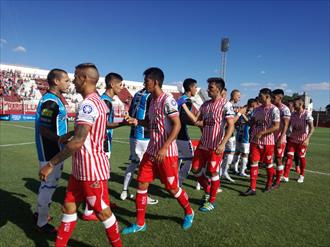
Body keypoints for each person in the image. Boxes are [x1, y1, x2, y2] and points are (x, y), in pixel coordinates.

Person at [39, 63, 123, 247]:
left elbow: (78, 142)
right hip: (80, 169)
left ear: (84, 79)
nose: (74, 81)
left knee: (103, 212)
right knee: (68, 207)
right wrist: (69, 134)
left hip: (91, 170)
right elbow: (90, 131)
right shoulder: (99, 102)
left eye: (76, 77)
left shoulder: (87, 104)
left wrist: (50, 164)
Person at [122, 67, 194, 234]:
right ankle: (140, 223)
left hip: (166, 154)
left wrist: (164, 148)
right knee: (141, 184)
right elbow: (149, 122)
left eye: (146, 80)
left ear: (155, 82)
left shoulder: (167, 100)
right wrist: (135, 121)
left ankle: (189, 212)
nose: (144, 83)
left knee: (172, 188)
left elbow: (177, 125)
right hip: (151, 151)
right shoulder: (151, 101)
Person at [83, 72, 135, 220]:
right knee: (98, 177)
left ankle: (103, 203)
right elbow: (104, 124)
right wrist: (123, 123)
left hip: (104, 142)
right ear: (112, 84)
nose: (122, 87)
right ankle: (89, 210)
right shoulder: (105, 101)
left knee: (103, 175)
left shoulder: (106, 100)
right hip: (102, 143)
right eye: (120, 84)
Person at [34, 69, 70, 233]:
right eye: (67, 80)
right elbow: (43, 129)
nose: (69, 83)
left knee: (47, 185)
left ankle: (40, 214)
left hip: (55, 147)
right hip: (50, 149)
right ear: (56, 81)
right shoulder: (50, 102)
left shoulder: (54, 99)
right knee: (49, 185)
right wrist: (59, 139)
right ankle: (41, 223)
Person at [191, 77, 235, 212]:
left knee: (212, 172)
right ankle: (209, 191)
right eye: (208, 87)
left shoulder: (226, 105)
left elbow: (231, 126)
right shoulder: (205, 105)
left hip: (216, 146)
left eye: (211, 87)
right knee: (196, 169)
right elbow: (197, 120)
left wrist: (223, 144)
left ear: (219, 90)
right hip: (203, 144)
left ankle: (212, 201)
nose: (208, 90)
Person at [120, 86, 158, 205]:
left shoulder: (137, 93)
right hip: (144, 135)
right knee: (145, 166)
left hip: (134, 134)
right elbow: (152, 115)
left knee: (133, 163)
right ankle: (142, 195)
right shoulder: (150, 95)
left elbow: (131, 112)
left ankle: (124, 191)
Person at [242, 88, 280, 196]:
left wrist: (262, 133)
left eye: (260, 95)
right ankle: (252, 188)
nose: (258, 97)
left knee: (268, 164)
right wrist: (241, 115)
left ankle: (268, 184)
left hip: (268, 142)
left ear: (267, 96)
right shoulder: (257, 109)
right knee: (254, 163)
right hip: (255, 141)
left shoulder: (274, 110)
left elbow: (276, 127)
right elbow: (251, 123)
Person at [282, 96, 314, 183]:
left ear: (301, 104)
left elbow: (312, 128)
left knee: (301, 157)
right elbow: (287, 125)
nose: (293, 106)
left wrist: (307, 139)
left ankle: (302, 175)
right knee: (289, 156)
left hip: (302, 141)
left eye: (295, 104)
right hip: (292, 140)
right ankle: (285, 176)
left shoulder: (307, 114)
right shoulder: (293, 114)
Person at [177, 78, 199, 187]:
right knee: (191, 158)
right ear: (190, 88)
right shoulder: (187, 101)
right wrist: (196, 122)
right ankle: (178, 183)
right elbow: (183, 118)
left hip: (173, 133)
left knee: (177, 158)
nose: (196, 90)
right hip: (181, 134)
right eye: (195, 87)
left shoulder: (180, 99)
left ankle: (173, 182)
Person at [220, 89, 244, 182]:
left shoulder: (231, 105)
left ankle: (223, 172)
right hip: (227, 133)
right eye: (238, 96)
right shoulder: (228, 105)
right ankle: (221, 172)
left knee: (229, 154)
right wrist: (239, 113)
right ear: (233, 95)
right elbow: (231, 122)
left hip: (230, 133)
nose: (239, 98)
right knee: (228, 154)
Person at [232, 98, 258, 177]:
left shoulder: (242, 110)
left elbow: (235, 122)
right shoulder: (251, 112)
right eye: (255, 105)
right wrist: (242, 114)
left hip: (239, 134)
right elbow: (250, 123)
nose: (256, 106)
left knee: (237, 152)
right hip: (246, 135)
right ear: (252, 105)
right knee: (245, 153)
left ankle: (235, 169)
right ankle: (241, 171)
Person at [271, 89, 291, 189]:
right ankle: (274, 175)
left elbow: (286, 125)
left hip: (280, 139)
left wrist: (281, 138)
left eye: (274, 97)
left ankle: (277, 181)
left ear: (280, 97)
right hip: (270, 138)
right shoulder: (272, 107)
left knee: (278, 159)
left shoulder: (285, 109)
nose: (272, 99)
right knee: (268, 160)